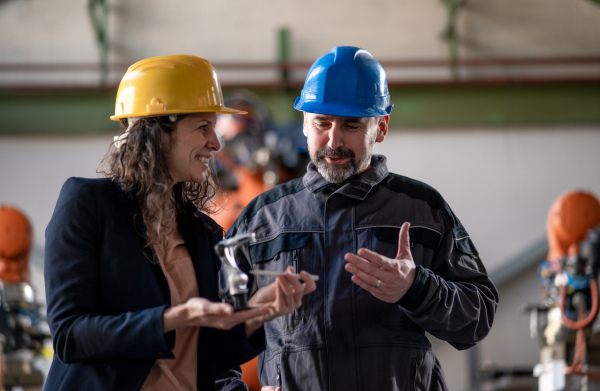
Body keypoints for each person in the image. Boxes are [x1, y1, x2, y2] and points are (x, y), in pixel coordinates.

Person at [226, 46, 499, 391]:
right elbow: (209, 338)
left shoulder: (422, 210)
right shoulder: (262, 219)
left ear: (381, 127)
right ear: (305, 125)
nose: (334, 140)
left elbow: (477, 319)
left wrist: (417, 287)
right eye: (322, 123)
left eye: (352, 125)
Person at [43, 54, 316, 391]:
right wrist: (174, 318)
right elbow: (70, 335)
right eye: (203, 127)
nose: (215, 144)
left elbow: (208, 355)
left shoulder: (204, 231)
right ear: (157, 131)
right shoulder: (87, 205)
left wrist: (258, 312)